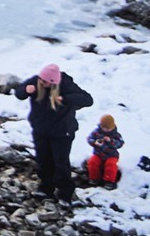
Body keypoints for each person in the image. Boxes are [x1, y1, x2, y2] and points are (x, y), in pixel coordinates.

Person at [15, 64, 94, 202]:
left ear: (52, 82)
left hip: (62, 132)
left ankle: (65, 193)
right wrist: (25, 90)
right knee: (43, 160)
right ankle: (46, 188)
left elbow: (87, 100)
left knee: (60, 163)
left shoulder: (66, 84)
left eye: (44, 82)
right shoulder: (37, 80)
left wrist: (66, 99)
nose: (40, 82)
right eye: (40, 79)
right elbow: (19, 93)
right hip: (41, 130)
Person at [85, 115, 125, 188]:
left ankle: (109, 181)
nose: (106, 130)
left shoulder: (116, 134)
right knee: (92, 162)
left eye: (108, 128)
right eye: (104, 128)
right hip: (98, 153)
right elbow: (89, 138)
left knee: (111, 165)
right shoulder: (96, 132)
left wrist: (111, 141)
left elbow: (120, 144)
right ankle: (94, 178)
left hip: (111, 155)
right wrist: (94, 142)